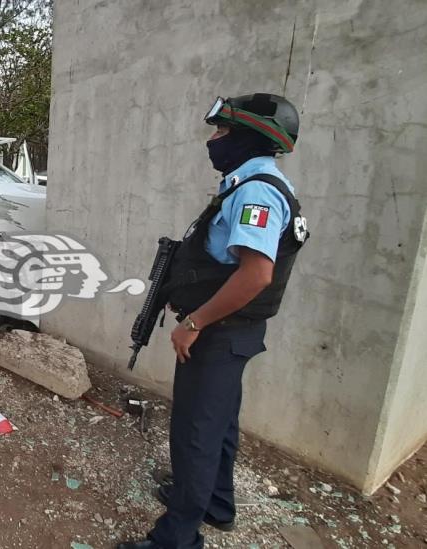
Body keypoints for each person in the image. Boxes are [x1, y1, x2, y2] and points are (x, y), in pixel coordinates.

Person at [119, 93, 308, 549]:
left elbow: (256, 273)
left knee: (193, 437)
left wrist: (196, 321)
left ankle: (177, 538)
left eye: (222, 131)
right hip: (232, 335)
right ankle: (217, 504)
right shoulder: (252, 184)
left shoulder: (257, 191)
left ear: (249, 137)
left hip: (218, 336)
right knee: (219, 424)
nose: (214, 139)